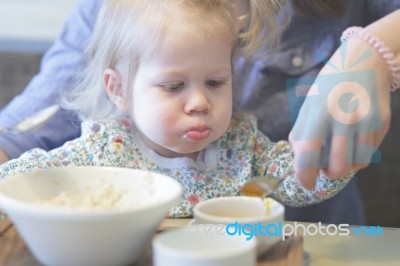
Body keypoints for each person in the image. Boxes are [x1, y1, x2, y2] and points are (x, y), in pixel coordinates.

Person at [0, 0, 399, 223]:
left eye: (215, 83)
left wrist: (335, 163)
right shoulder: (104, 148)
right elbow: (26, 160)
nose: (199, 103)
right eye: (173, 87)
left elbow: (296, 180)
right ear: (118, 89)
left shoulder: (244, 147)